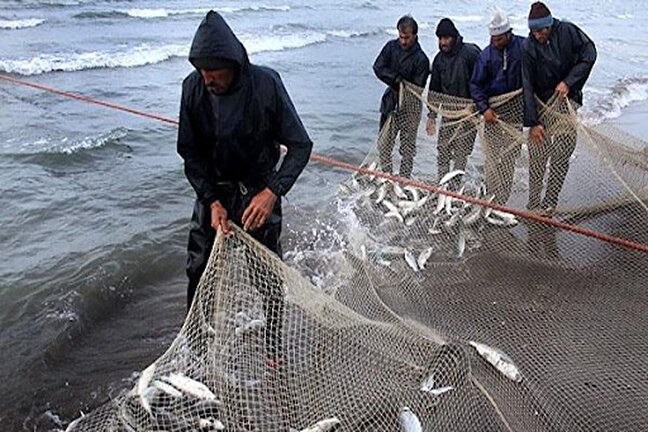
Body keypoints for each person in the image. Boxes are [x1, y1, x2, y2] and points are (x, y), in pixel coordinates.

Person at [177, 11, 313, 367]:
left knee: (267, 277)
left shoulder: (266, 85)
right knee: (198, 270)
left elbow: (300, 146)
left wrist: (272, 192)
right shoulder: (192, 88)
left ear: (234, 64)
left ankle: (272, 346)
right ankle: (195, 344)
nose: (207, 79)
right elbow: (189, 152)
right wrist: (211, 200)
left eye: (214, 72)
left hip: (258, 192)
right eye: (202, 71)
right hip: (215, 194)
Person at [522, 2, 596, 215]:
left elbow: (589, 54)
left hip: (567, 101)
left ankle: (550, 202)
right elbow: (527, 84)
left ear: (549, 26)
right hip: (542, 103)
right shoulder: (528, 46)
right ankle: (533, 203)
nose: (537, 36)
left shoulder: (568, 31)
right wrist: (533, 122)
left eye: (540, 31)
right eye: (533, 32)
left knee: (562, 152)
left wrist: (569, 82)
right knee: (537, 155)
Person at [470, 10, 525, 205]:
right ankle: (490, 195)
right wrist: (484, 109)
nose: (495, 42)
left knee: (509, 157)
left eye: (499, 38)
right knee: (492, 156)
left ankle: (502, 199)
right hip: (493, 112)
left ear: (508, 34)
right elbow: (475, 85)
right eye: (492, 38)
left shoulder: (523, 47)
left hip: (516, 112)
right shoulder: (485, 56)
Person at [373, 15, 430, 178]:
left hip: (410, 108)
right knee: (383, 145)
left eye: (407, 38)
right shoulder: (391, 47)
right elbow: (378, 67)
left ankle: (405, 179)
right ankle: (387, 177)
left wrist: (403, 84)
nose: (403, 41)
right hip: (390, 102)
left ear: (415, 36)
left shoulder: (422, 60)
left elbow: (417, 88)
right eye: (401, 37)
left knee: (407, 149)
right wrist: (395, 79)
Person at [426, 18, 481, 185]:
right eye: (440, 38)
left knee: (461, 152)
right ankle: (442, 184)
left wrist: (480, 107)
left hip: (469, 113)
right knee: (442, 149)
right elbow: (434, 89)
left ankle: (456, 187)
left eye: (446, 38)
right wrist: (431, 115)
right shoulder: (438, 60)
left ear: (455, 37)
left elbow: (482, 80)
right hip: (449, 114)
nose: (443, 42)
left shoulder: (470, 53)